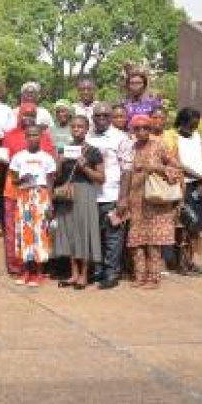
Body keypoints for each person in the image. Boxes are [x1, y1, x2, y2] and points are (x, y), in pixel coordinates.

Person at [125, 114, 180, 289]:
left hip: (155, 201)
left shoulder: (159, 146)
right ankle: (140, 276)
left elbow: (176, 168)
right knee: (136, 240)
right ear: (132, 131)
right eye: (137, 128)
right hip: (135, 200)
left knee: (153, 241)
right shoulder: (130, 148)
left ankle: (154, 278)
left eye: (145, 128)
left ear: (150, 129)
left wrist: (156, 167)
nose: (142, 131)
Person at [2, 103, 56, 275]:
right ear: (19, 116)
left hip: (38, 193)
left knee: (38, 229)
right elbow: (6, 164)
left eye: (32, 114)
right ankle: (16, 266)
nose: (28, 117)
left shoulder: (45, 137)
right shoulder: (9, 136)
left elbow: (50, 169)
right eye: (25, 114)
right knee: (15, 229)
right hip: (15, 190)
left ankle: (37, 266)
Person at [85, 102, 133, 289]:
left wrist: (123, 198)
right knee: (94, 237)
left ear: (111, 117)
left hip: (112, 195)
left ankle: (112, 273)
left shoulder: (120, 138)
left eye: (105, 115)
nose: (102, 119)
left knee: (113, 237)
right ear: (93, 118)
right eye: (98, 116)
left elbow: (127, 170)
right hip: (90, 196)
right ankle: (98, 272)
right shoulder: (88, 136)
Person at [53, 116, 104, 290]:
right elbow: (58, 176)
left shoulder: (93, 151)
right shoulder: (65, 149)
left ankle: (84, 274)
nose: (76, 129)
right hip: (67, 194)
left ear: (87, 129)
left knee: (84, 232)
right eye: (73, 126)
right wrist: (59, 164)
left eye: (80, 126)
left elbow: (101, 178)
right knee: (70, 233)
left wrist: (85, 167)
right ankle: (73, 274)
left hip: (85, 193)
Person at [172, 107, 202, 275]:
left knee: (197, 226)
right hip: (185, 185)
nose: (193, 128)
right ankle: (181, 262)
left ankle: (193, 260)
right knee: (184, 225)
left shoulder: (198, 136)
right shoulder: (174, 138)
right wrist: (199, 177)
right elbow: (178, 163)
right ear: (182, 122)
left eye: (196, 124)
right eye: (191, 124)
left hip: (201, 186)